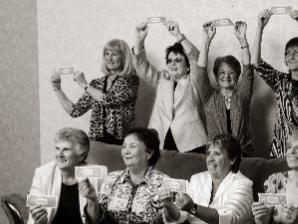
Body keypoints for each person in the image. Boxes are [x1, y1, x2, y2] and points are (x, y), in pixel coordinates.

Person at [78, 128, 175, 224]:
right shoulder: (112, 179)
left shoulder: (163, 182)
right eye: (124, 147)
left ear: (149, 153)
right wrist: (92, 200)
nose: (126, 151)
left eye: (132, 146)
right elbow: (96, 223)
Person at [158, 134, 257, 224]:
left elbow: (226, 218)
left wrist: (192, 207)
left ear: (232, 159)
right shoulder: (197, 179)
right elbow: (179, 216)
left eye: (216, 154)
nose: (210, 158)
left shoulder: (243, 184)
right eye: (208, 153)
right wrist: (168, 205)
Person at [253, 9, 298, 158]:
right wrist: (260, 27)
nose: (291, 56)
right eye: (288, 52)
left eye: (297, 52)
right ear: (285, 60)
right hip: (282, 152)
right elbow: (256, 62)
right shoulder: (281, 81)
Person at [133, 21, 207, 153]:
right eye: (169, 61)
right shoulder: (162, 79)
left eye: (178, 60)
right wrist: (140, 40)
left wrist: (179, 36)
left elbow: (196, 60)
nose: (172, 64)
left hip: (190, 142)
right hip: (160, 139)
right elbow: (142, 67)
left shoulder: (194, 81)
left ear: (188, 66)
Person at [19, 128, 91, 224]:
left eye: (66, 149)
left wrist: (93, 200)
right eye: (57, 148)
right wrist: (39, 222)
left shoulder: (93, 175)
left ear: (81, 155)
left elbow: (98, 221)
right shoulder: (42, 173)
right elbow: (34, 218)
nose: (59, 154)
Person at [51, 39, 139, 145]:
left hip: (121, 143)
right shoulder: (96, 83)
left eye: (114, 54)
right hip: (96, 143)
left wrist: (84, 85)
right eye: (106, 54)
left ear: (124, 57)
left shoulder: (131, 80)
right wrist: (57, 88)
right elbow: (74, 111)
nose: (109, 58)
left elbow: (110, 100)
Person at [196, 21, 255, 156]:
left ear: (237, 77)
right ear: (216, 78)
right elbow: (200, 72)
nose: (226, 76)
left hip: (243, 155)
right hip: (216, 156)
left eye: (231, 73)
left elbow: (248, 70)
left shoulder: (242, 95)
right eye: (222, 73)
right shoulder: (209, 97)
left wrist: (243, 40)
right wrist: (206, 41)